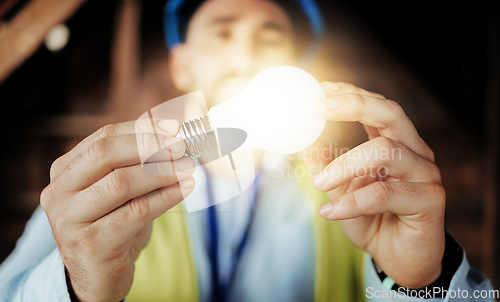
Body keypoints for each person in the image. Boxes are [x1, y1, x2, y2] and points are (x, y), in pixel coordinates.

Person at [0, 0, 495, 301]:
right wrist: (77, 288)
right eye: (222, 32)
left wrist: (421, 283)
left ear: (293, 73)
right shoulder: (107, 184)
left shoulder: (354, 192)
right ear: (182, 67)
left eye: (269, 37)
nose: (245, 54)